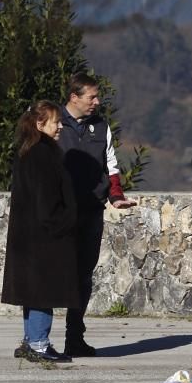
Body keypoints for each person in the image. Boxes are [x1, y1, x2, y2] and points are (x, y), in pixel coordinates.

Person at [57, 72, 137, 357]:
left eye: (97, 96)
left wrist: (116, 196)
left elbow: (111, 165)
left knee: (83, 275)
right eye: (91, 97)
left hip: (91, 211)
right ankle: (37, 338)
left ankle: (74, 337)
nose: (97, 102)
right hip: (61, 213)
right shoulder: (54, 123)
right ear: (74, 97)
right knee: (54, 273)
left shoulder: (101, 127)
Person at [1, 101, 77, 363]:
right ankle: (39, 344)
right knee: (44, 291)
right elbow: (48, 200)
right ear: (39, 124)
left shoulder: (27, 151)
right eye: (55, 122)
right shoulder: (43, 154)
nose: (60, 127)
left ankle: (31, 340)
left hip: (28, 236)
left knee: (33, 293)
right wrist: (64, 222)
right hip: (44, 237)